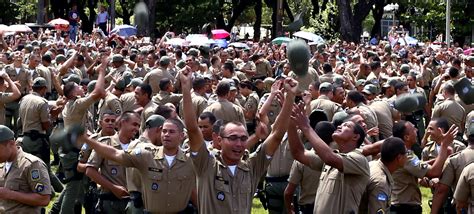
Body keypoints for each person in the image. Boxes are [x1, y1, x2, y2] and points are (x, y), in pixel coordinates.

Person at [182, 61, 298, 213]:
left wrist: (290, 96)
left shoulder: (251, 167)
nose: (239, 143)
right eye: (233, 138)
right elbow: (192, 130)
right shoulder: (207, 164)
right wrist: (185, 87)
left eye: (243, 138)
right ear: (219, 140)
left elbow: (276, 136)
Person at [79, 116, 196, 213]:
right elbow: (114, 153)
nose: (166, 135)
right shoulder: (147, 155)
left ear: (181, 136)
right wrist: (87, 140)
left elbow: (193, 189)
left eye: (171, 132)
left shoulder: (189, 160)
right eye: (164, 131)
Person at [289, 103, 370, 213]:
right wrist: (291, 122)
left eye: (347, 125)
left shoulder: (358, 159)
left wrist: (306, 127)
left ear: (355, 136)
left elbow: (330, 158)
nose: (339, 126)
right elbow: (298, 153)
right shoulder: (332, 157)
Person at [390, 120, 458, 214]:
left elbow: (421, 165)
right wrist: (444, 145)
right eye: (413, 129)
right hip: (404, 207)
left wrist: (443, 156)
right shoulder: (405, 156)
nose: (417, 130)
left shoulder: (405, 152)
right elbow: (434, 172)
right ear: (407, 137)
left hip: (403, 204)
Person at [85, 111, 140, 213]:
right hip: (110, 202)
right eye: (134, 124)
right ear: (123, 123)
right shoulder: (105, 144)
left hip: (133, 203)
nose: (137, 129)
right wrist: (113, 187)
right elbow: (90, 171)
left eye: (138, 126)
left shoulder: (139, 147)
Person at [0, 125, 52, 213]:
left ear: (11, 143)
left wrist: (10, 194)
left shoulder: (31, 164)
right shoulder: (3, 165)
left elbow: (44, 199)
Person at [359, 137, 407, 214]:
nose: (407, 156)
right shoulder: (381, 183)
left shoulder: (372, 164)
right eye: (406, 153)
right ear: (399, 158)